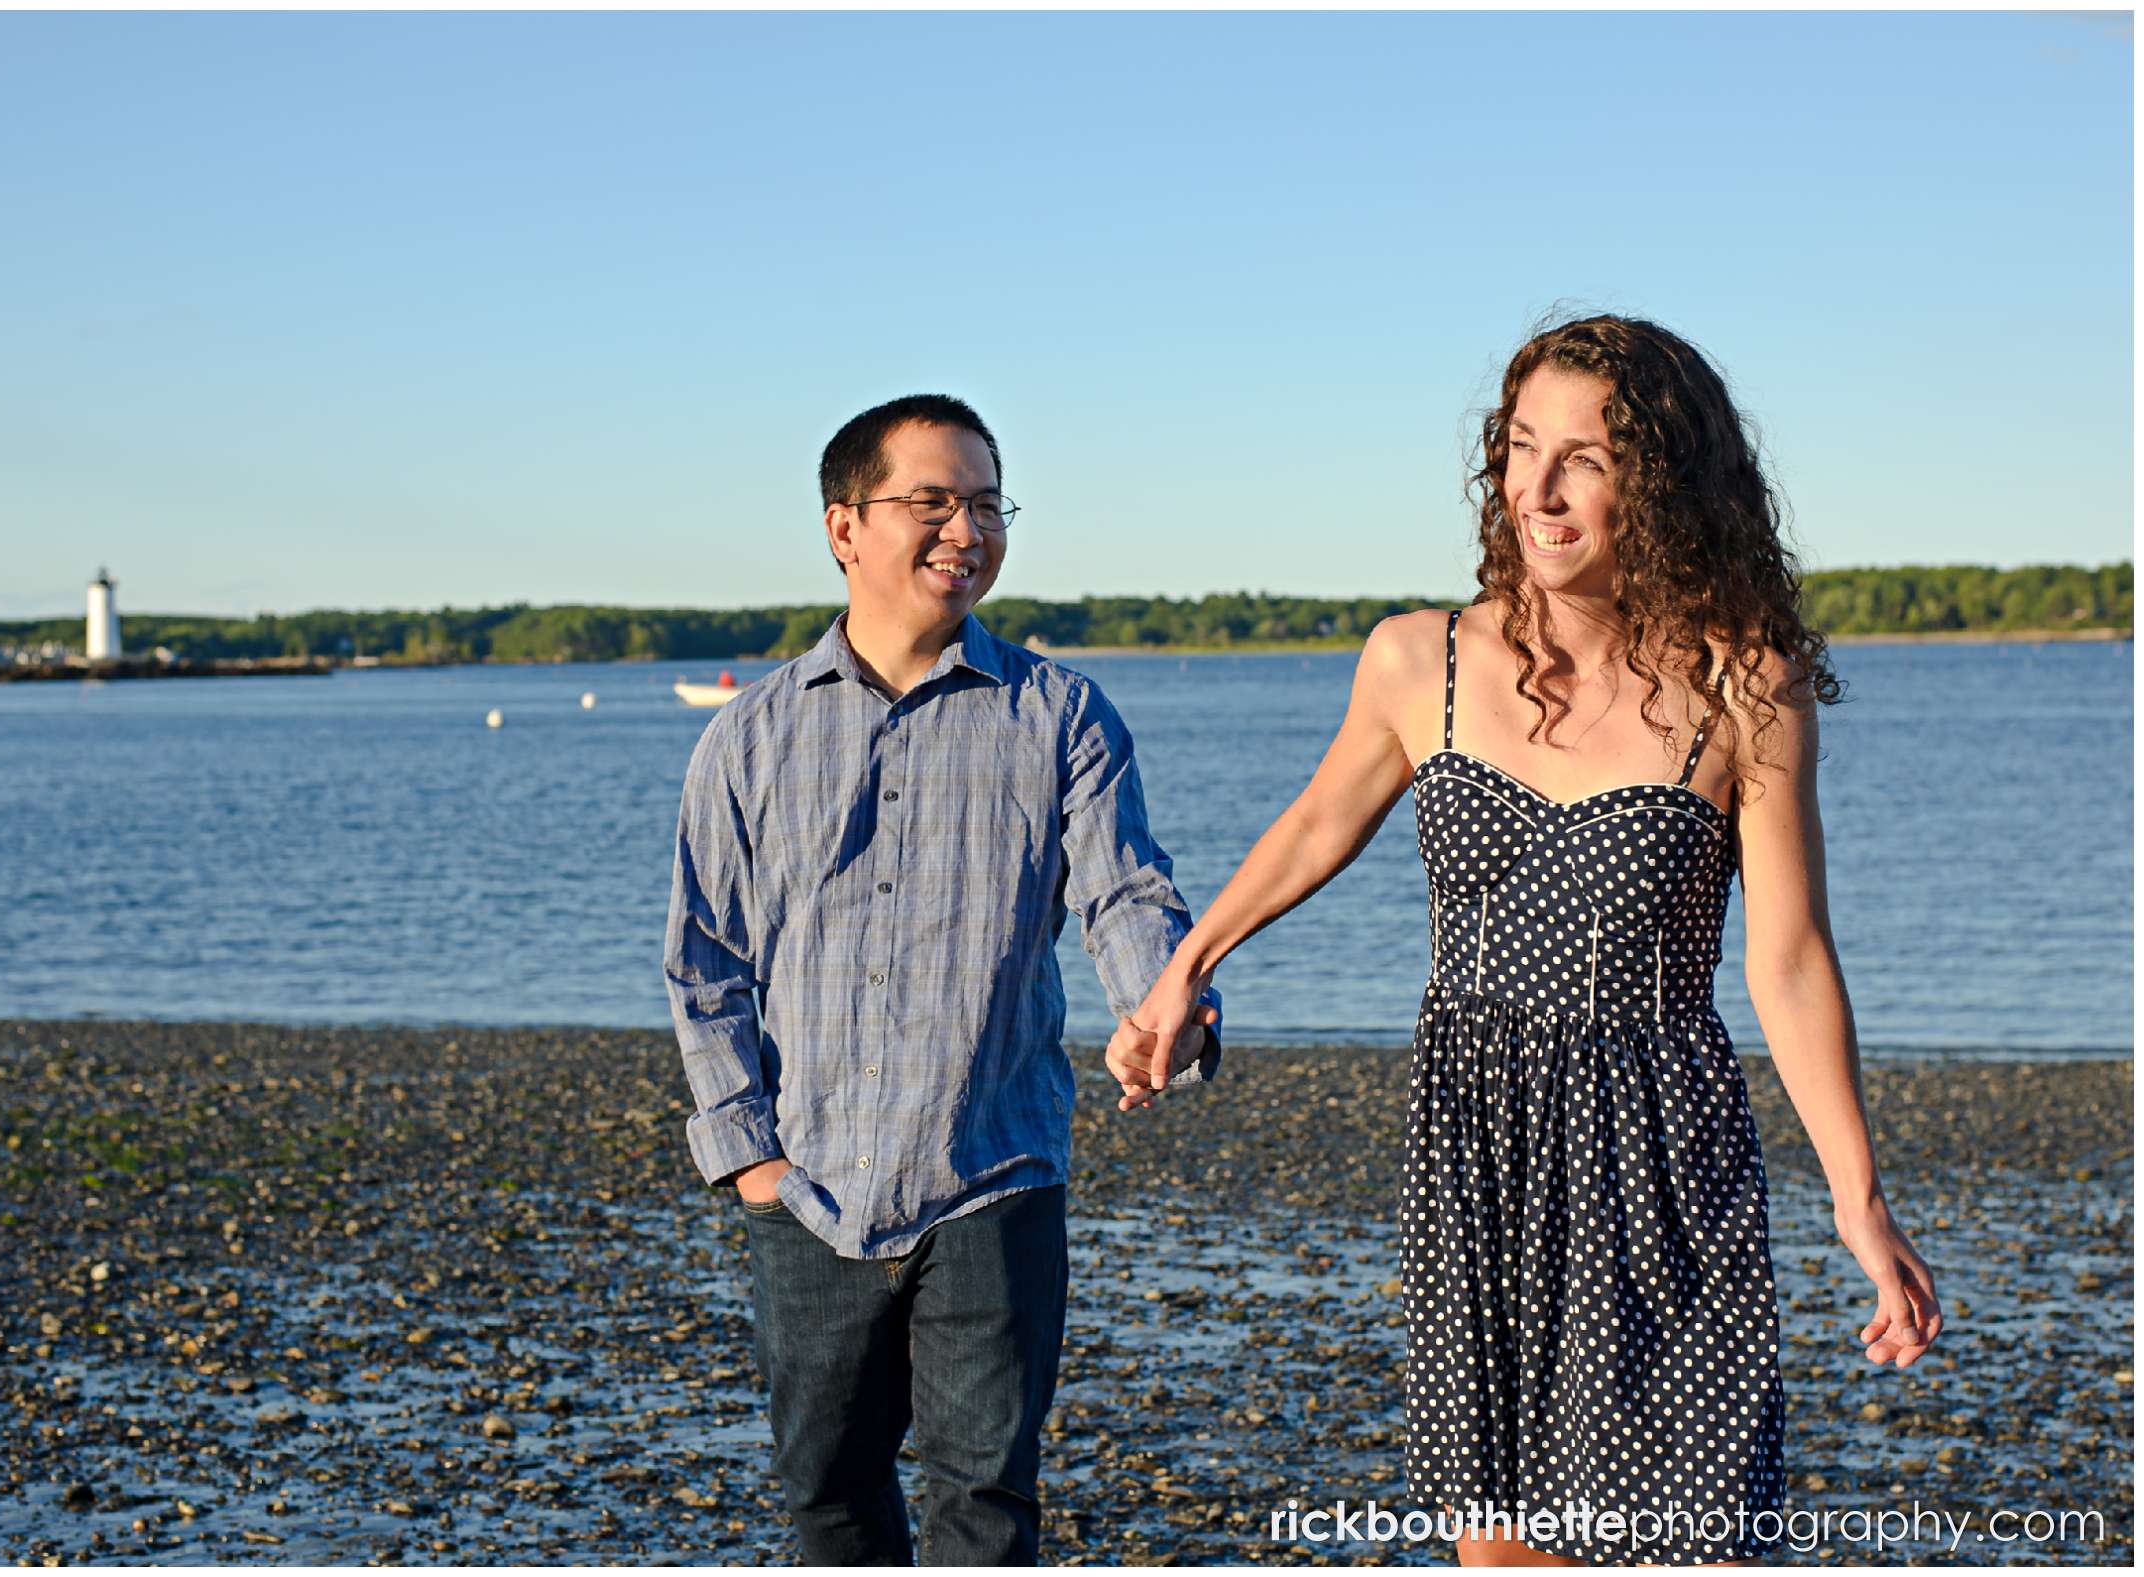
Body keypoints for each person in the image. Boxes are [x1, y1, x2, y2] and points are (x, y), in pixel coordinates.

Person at [1111, 316, 1941, 1564]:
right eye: (1518, 449)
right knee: (1501, 1545)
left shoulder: (1741, 684)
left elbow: (1787, 956)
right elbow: (1316, 825)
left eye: (1585, 460)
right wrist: (1186, 970)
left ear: (1661, 482)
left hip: (1659, 1135)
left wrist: (1857, 1199)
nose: (1537, 491)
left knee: (1687, 1530)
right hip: (1474, 1128)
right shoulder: (1418, 658)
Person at [665, 392, 1222, 1565]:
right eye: (932, 502)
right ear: (843, 527)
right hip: (806, 1186)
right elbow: (705, 960)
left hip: (994, 1171)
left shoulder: (1059, 712)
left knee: (986, 1506)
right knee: (827, 1496)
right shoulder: (748, 736)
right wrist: (748, 1156)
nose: (964, 529)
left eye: (985, 503)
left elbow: (1121, 889)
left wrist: (1161, 998)